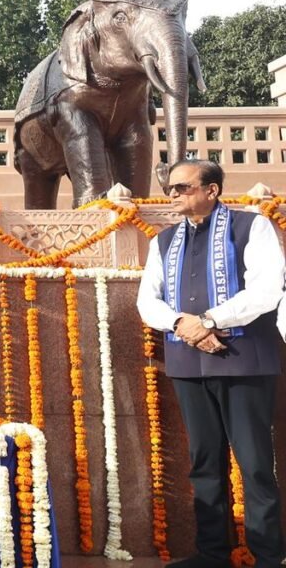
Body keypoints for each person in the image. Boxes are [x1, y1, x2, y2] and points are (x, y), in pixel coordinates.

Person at [137, 159, 285, 568]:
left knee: (255, 464)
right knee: (204, 464)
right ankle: (213, 553)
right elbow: (147, 300)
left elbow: (267, 289)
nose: (173, 194)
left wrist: (209, 321)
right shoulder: (164, 241)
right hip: (188, 363)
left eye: (182, 187)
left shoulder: (251, 227)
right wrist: (181, 325)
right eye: (170, 188)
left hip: (244, 362)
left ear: (211, 190)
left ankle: (268, 556)